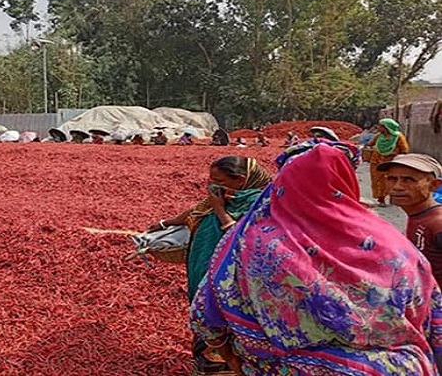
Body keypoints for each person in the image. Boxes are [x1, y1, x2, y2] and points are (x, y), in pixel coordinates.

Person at [190, 140, 442, 375]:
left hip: (282, 366)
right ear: (345, 182)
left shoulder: (249, 238)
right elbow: (431, 312)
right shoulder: (390, 242)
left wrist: (230, 356)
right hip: (387, 367)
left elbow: (205, 311)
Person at [148, 156, 272, 373]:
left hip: (236, 283)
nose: (212, 185)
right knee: (206, 319)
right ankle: (208, 357)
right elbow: (196, 212)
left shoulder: (261, 205)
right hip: (206, 274)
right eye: (211, 179)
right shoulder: (222, 198)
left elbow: (243, 242)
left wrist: (221, 211)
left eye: (219, 181)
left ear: (241, 180)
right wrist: (164, 223)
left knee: (228, 325)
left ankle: (228, 363)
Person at [379, 153, 442, 284]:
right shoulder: (418, 216)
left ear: (434, 185)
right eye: (392, 179)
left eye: (408, 180)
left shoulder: (437, 223)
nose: (397, 187)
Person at [368, 118, 409, 205]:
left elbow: (405, 150)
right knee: (378, 181)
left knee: (392, 180)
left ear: (387, 127)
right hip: (376, 162)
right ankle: (381, 199)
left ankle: (393, 197)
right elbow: (370, 144)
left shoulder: (398, 137)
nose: (378, 128)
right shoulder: (379, 136)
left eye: (381, 126)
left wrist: (397, 156)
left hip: (391, 163)